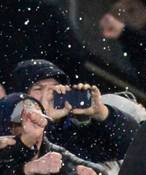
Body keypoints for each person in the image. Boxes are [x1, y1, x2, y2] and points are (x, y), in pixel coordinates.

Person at [8, 58, 137, 162]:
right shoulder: (8, 132)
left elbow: (133, 147)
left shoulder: (75, 131)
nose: (49, 94)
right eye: (38, 89)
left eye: (55, 88)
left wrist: (103, 113)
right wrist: (44, 122)